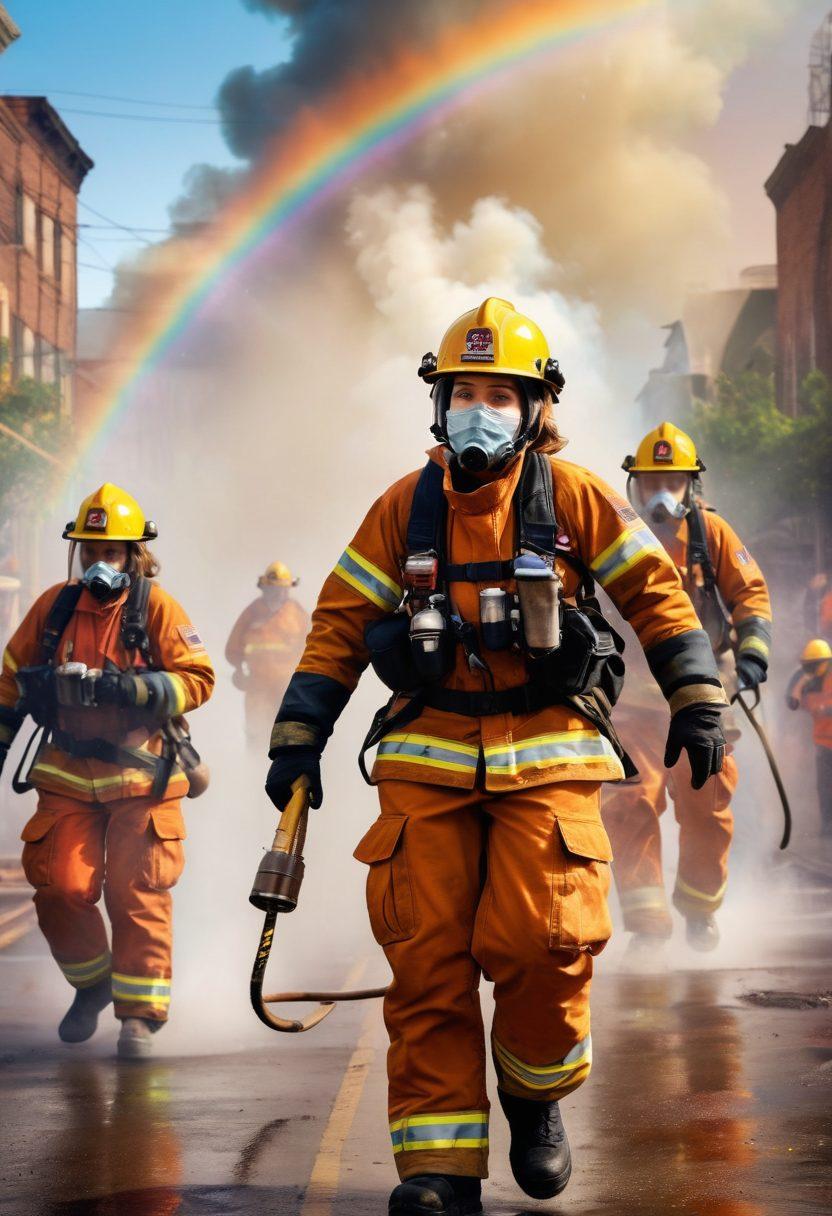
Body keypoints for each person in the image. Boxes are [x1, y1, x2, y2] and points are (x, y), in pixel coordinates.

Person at [264, 300, 727, 1215]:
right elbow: (339, 625)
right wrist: (299, 736)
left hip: (550, 758)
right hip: (425, 759)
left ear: (535, 408)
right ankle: (438, 1169)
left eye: (500, 396)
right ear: (440, 406)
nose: (480, 412)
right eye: (464, 394)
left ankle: (533, 1095)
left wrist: (697, 694)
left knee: (545, 944)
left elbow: (657, 595)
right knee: (426, 962)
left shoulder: (578, 499)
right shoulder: (404, 507)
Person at [0, 484, 214, 1058]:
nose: (100, 563)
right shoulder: (54, 608)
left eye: (112, 553)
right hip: (67, 774)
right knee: (59, 887)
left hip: (144, 777)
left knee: (135, 892)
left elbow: (199, 678)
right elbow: (11, 681)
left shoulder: (156, 609)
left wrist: (139, 689)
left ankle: (138, 1017)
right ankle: (93, 984)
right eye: (90, 552)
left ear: (134, 555)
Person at [602, 423, 772, 961]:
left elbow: (750, 594)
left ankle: (700, 909)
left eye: (672, 482)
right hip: (632, 705)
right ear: (634, 484)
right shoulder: (613, 531)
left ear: (691, 486)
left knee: (708, 803)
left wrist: (752, 654)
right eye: (651, 482)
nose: (661, 494)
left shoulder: (711, 533)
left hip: (702, 700)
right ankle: (647, 927)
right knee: (628, 804)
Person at [226, 562, 309, 749]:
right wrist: (239, 670)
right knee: (257, 736)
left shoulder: (297, 614)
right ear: (265, 588)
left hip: (288, 689)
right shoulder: (252, 612)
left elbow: (311, 647)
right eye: (274, 589)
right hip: (258, 690)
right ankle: (255, 764)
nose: (279, 594)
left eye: (283, 589)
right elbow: (232, 648)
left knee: (288, 737)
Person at [786, 639, 832, 837]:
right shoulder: (805, 679)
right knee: (824, 787)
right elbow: (792, 703)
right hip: (823, 742)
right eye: (808, 665)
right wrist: (802, 682)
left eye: (815, 665)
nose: (812, 669)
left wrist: (826, 709)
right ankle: (827, 825)